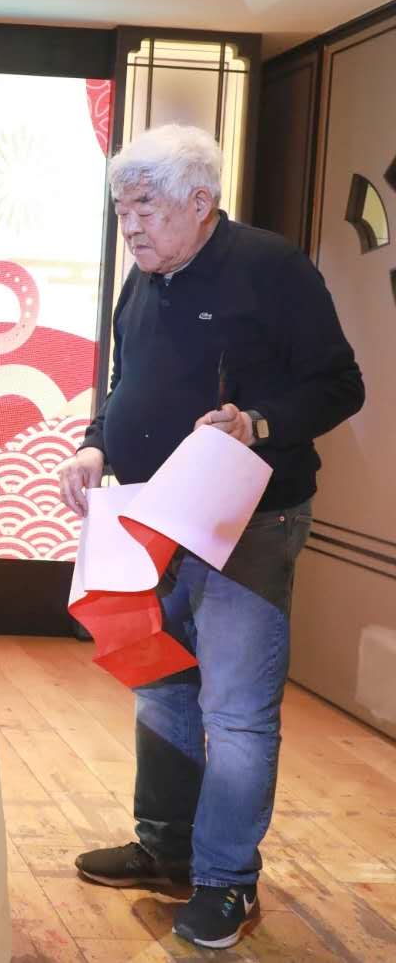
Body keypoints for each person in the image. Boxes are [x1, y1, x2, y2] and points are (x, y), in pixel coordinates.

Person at [57, 123, 364, 949]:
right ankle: (166, 847)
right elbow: (125, 381)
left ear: (201, 201)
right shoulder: (144, 277)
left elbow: (343, 384)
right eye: (122, 212)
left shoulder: (272, 268)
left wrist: (257, 421)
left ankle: (226, 878)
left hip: (247, 517)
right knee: (161, 682)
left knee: (234, 707)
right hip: (154, 515)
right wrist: (95, 444)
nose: (130, 228)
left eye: (145, 209)